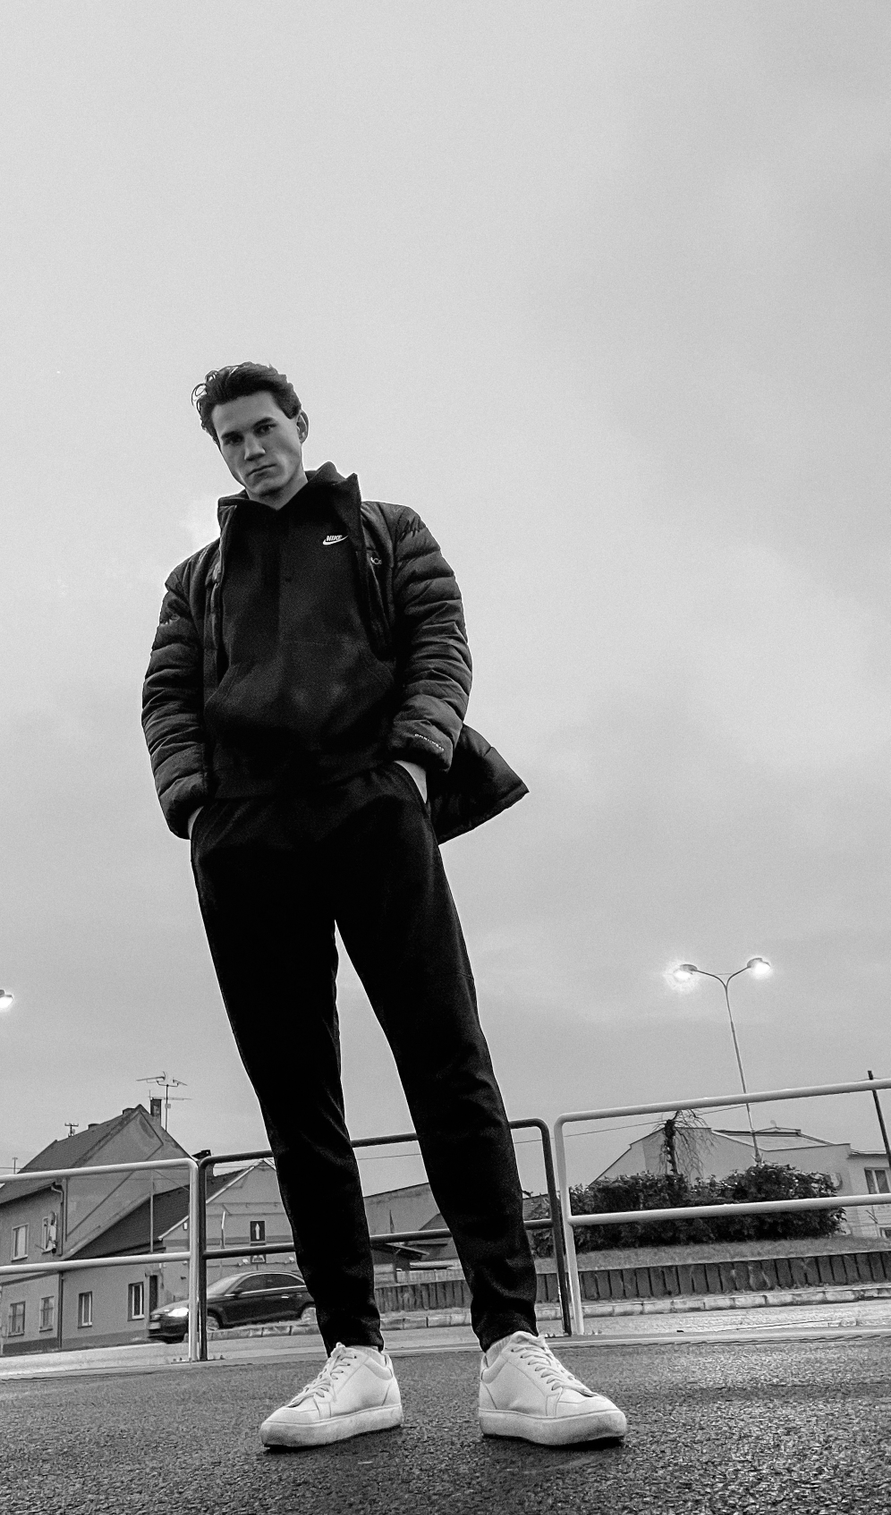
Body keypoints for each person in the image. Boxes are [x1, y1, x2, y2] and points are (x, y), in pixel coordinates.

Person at [142, 362, 626, 1454]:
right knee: (293, 1090)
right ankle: (353, 1359)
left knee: (446, 1058)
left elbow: (441, 645)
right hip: (248, 832)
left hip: (374, 805)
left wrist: (411, 768)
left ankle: (512, 1351)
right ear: (218, 452)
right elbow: (167, 694)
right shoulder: (196, 579)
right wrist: (193, 805)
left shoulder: (385, 529)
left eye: (266, 429)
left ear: (302, 427)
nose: (252, 449)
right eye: (231, 438)